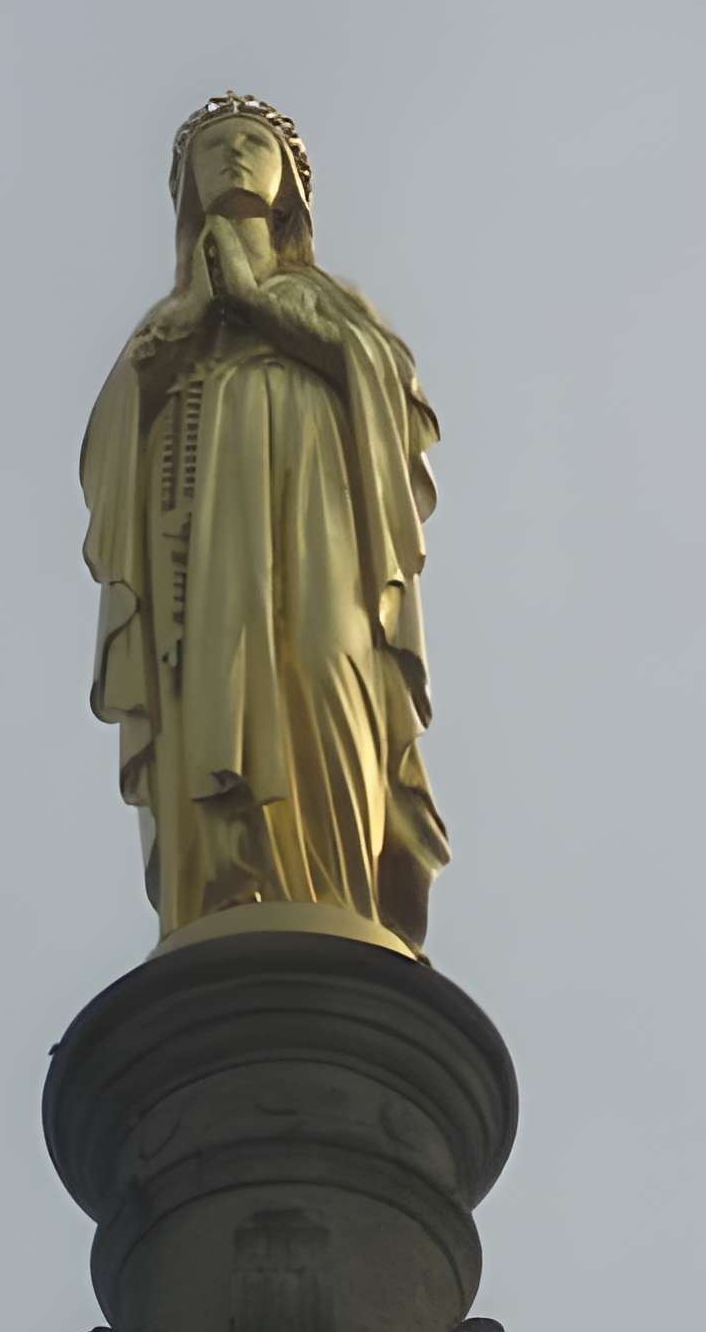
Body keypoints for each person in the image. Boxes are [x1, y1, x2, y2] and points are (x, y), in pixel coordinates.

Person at [81, 93, 448, 951]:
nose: (235, 156)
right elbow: (109, 453)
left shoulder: (328, 299)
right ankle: (222, 884)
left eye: (253, 143)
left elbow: (393, 403)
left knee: (325, 664)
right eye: (214, 149)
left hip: (315, 504)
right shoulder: (170, 324)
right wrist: (177, 342)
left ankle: (338, 889)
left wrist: (259, 304)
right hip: (204, 537)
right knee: (212, 683)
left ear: (289, 184)